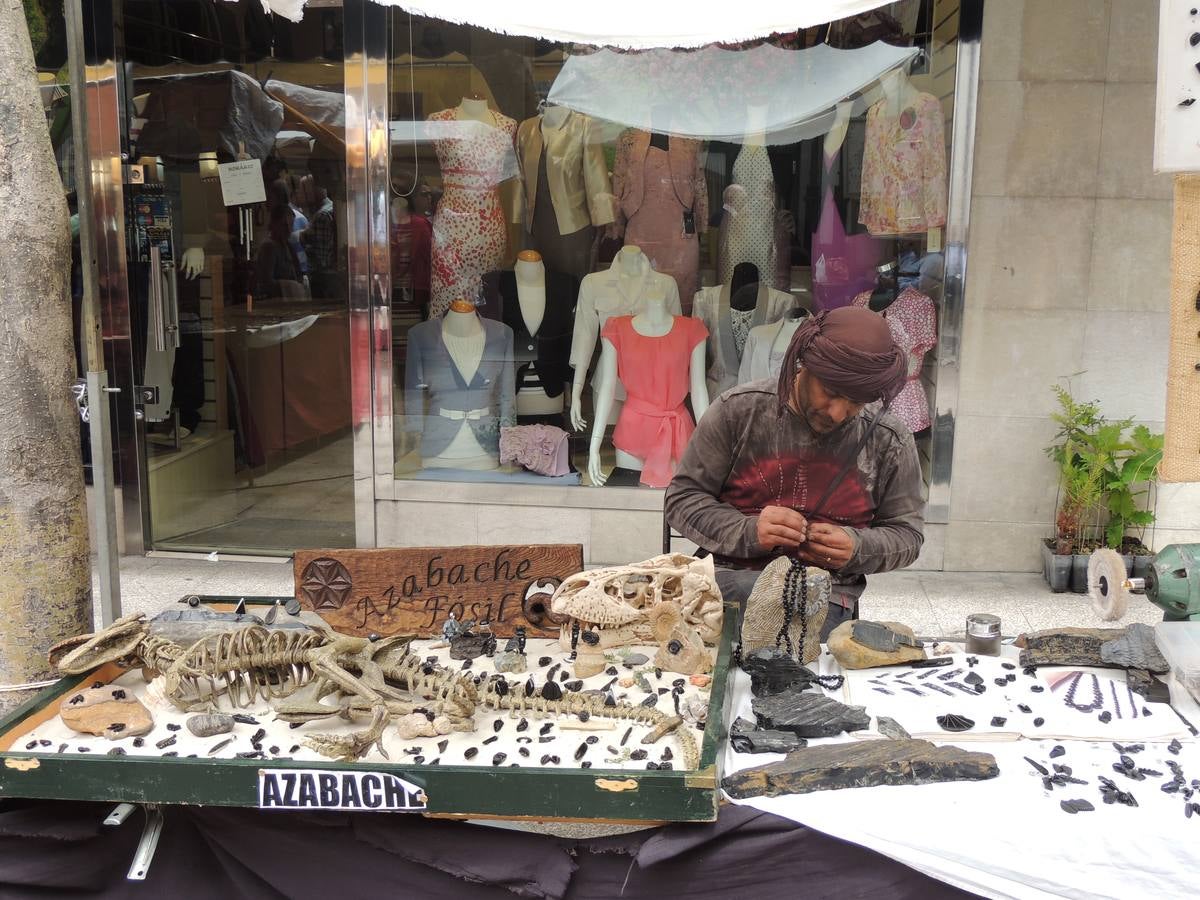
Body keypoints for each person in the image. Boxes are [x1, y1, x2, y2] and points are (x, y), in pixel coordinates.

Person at [664, 305, 924, 640]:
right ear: (802, 363)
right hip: (727, 584)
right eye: (830, 393)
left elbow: (907, 534)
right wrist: (749, 530)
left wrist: (856, 547)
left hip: (822, 596)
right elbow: (682, 500)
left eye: (856, 404)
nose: (838, 413)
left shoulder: (889, 440)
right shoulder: (737, 412)